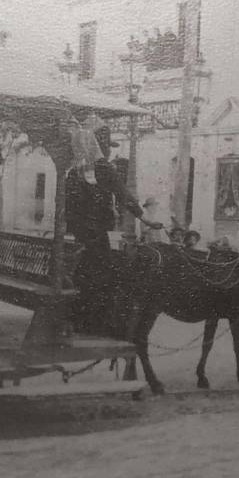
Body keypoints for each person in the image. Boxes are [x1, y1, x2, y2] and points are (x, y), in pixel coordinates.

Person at [68, 123, 162, 336]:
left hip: (82, 234)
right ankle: (105, 324)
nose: (108, 149)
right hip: (101, 233)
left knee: (87, 273)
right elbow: (124, 196)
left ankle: (80, 319)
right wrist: (146, 220)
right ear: (98, 145)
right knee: (117, 271)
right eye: (106, 145)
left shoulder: (74, 171)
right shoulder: (103, 167)